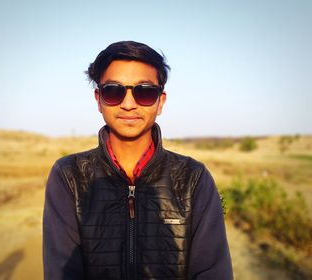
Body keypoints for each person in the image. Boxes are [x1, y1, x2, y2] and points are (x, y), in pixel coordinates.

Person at [43, 41, 233, 279]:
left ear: (160, 101)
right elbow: (62, 273)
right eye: (114, 91)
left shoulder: (193, 178)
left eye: (145, 91)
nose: (129, 104)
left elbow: (212, 272)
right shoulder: (69, 176)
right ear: (98, 99)